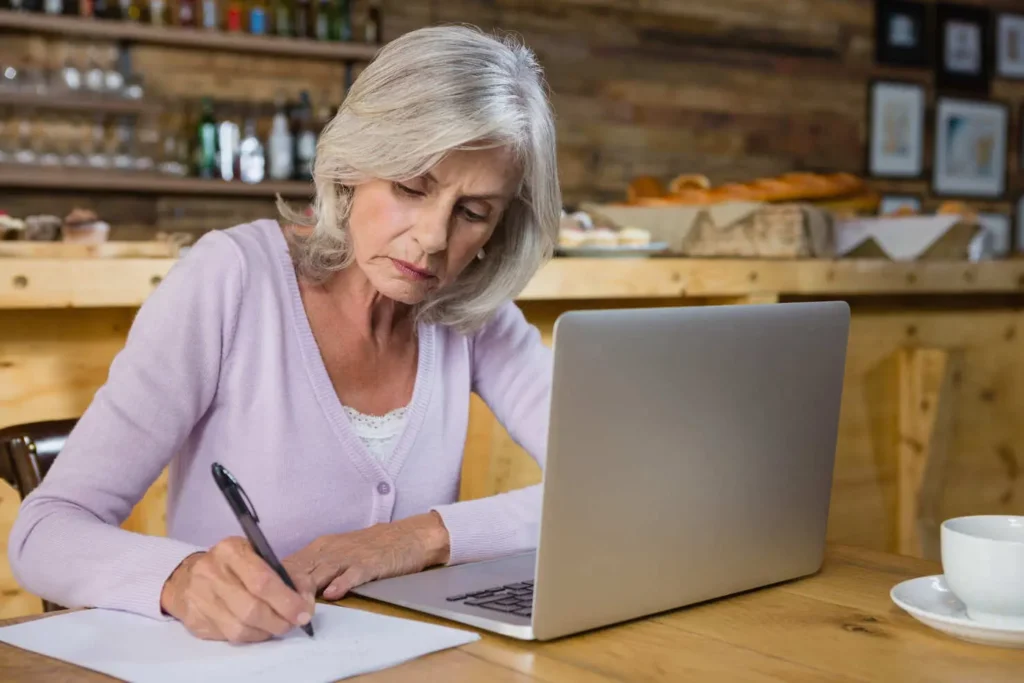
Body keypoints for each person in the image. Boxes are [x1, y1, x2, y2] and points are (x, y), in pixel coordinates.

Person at [8, 25, 559, 644]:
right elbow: (45, 532)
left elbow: (606, 487)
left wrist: (422, 536)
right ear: (352, 169)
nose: (433, 237)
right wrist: (180, 578)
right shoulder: (231, 279)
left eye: (473, 212)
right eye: (411, 186)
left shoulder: (473, 316)